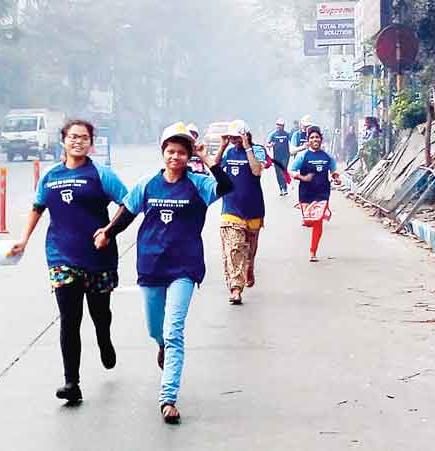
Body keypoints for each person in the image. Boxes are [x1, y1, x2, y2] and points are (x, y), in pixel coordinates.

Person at [93, 122, 233, 424]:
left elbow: (226, 188)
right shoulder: (147, 184)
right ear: (163, 153)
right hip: (151, 266)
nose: (175, 157)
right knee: (156, 330)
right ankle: (161, 346)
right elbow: (127, 212)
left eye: (182, 152)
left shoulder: (199, 184)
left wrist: (208, 160)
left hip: (184, 267)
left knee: (174, 331)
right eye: (171, 151)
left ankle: (168, 398)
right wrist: (107, 232)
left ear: (188, 155)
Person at [10, 119, 128, 403]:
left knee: (100, 313)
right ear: (62, 140)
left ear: (91, 143)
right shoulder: (50, 176)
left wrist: (108, 231)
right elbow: (38, 207)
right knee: (69, 319)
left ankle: (104, 339)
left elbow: (128, 203)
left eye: (84, 138)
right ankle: (71, 382)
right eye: (73, 137)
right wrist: (23, 240)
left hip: (98, 256)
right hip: (61, 256)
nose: (78, 141)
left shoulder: (101, 174)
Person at [214, 119, 266, 305]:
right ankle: (236, 288)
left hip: (253, 210)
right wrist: (222, 146)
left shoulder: (257, 150)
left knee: (249, 251)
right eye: (232, 137)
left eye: (238, 137)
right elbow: (215, 168)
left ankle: (248, 267)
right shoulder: (228, 153)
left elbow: (256, 171)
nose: (234, 141)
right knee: (234, 248)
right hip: (231, 208)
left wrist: (247, 147)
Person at [291, 125, 341, 262]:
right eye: (312, 137)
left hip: (322, 193)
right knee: (308, 221)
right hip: (306, 193)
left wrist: (336, 178)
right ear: (308, 140)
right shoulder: (302, 156)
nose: (315, 139)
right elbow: (293, 171)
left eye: (317, 137)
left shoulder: (327, 156)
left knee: (318, 221)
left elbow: (333, 171)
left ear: (321, 139)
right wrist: (303, 177)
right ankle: (310, 220)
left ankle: (313, 251)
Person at [266, 118, 291, 196]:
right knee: (278, 172)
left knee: (283, 170)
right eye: (278, 125)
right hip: (276, 156)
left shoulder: (287, 134)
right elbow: (267, 143)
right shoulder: (273, 134)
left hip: (285, 155)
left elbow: (292, 142)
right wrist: (270, 145)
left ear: (283, 126)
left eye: (281, 125)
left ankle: (285, 188)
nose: (279, 127)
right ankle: (281, 188)